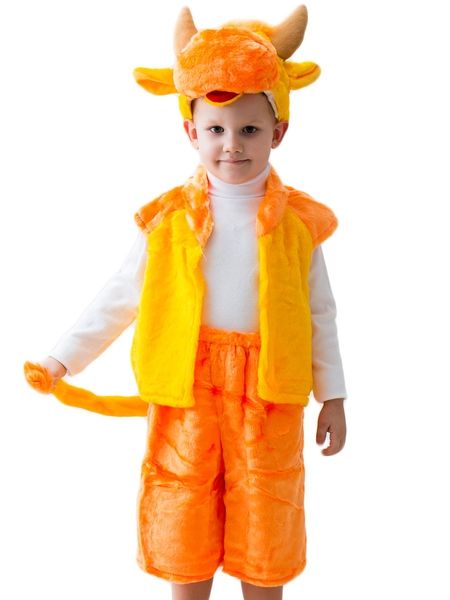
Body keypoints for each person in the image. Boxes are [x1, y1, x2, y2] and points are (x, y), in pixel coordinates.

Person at [25, 6, 347, 600]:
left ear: (278, 132)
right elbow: (121, 295)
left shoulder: (297, 225)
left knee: (267, 513)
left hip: (269, 392)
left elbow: (318, 312)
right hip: (187, 388)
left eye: (249, 130)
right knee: (183, 507)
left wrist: (334, 394)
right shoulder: (170, 219)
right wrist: (61, 359)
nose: (232, 145)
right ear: (191, 132)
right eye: (216, 130)